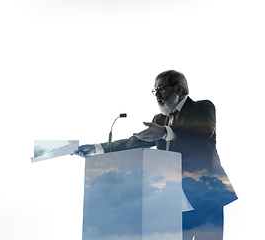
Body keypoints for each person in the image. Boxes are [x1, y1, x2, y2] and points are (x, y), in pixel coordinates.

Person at [77, 70, 237, 240]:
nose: (157, 95)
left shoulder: (202, 107)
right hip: (175, 196)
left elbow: (205, 130)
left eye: (161, 88)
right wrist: (97, 148)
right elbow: (136, 141)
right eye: (155, 90)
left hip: (207, 192)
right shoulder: (159, 119)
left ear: (178, 88)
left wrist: (166, 131)